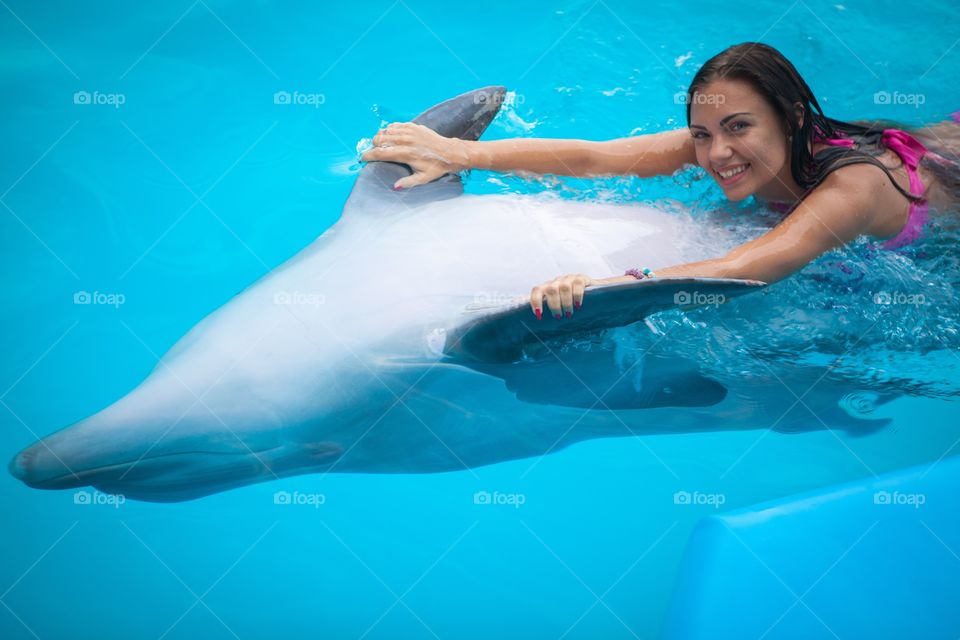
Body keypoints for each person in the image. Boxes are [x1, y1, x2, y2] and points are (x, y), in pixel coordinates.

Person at [361, 42, 960, 321]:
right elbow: (595, 159)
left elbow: (744, 266)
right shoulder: (719, 145)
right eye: (701, 133)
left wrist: (603, 286)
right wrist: (457, 152)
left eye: (739, 127)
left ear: (793, 119)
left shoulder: (854, 190)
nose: (717, 153)